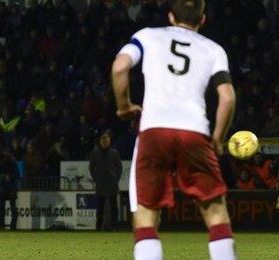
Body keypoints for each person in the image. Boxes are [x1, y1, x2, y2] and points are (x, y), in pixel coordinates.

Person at [111, 1, 237, 259]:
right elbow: (227, 98)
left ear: (170, 16)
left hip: (154, 131)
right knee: (215, 213)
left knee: (146, 214)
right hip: (194, 130)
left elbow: (119, 66)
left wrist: (123, 106)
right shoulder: (214, 50)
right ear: (203, 19)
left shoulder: (147, 36)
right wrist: (218, 138)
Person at [89, 131, 122, 231]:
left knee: (113, 208)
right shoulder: (95, 153)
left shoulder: (114, 153)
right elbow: (91, 167)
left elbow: (119, 167)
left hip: (112, 183)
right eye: (103, 141)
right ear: (100, 142)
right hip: (100, 183)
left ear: (109, 141)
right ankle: (98, 227)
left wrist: (116, 179)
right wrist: (96, 179)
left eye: (107, 140)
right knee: (100, 208)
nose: (105, 142)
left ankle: (114, 227)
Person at [0, 149, 19, 230]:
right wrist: (2, 176)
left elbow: (16, 174)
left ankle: (10, 226)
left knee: (10, 208)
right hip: (5, 187)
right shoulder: (4, 164)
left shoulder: (11, 163)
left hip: (9, 187)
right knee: (5, 209)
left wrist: (9, 177)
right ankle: (7, 226)